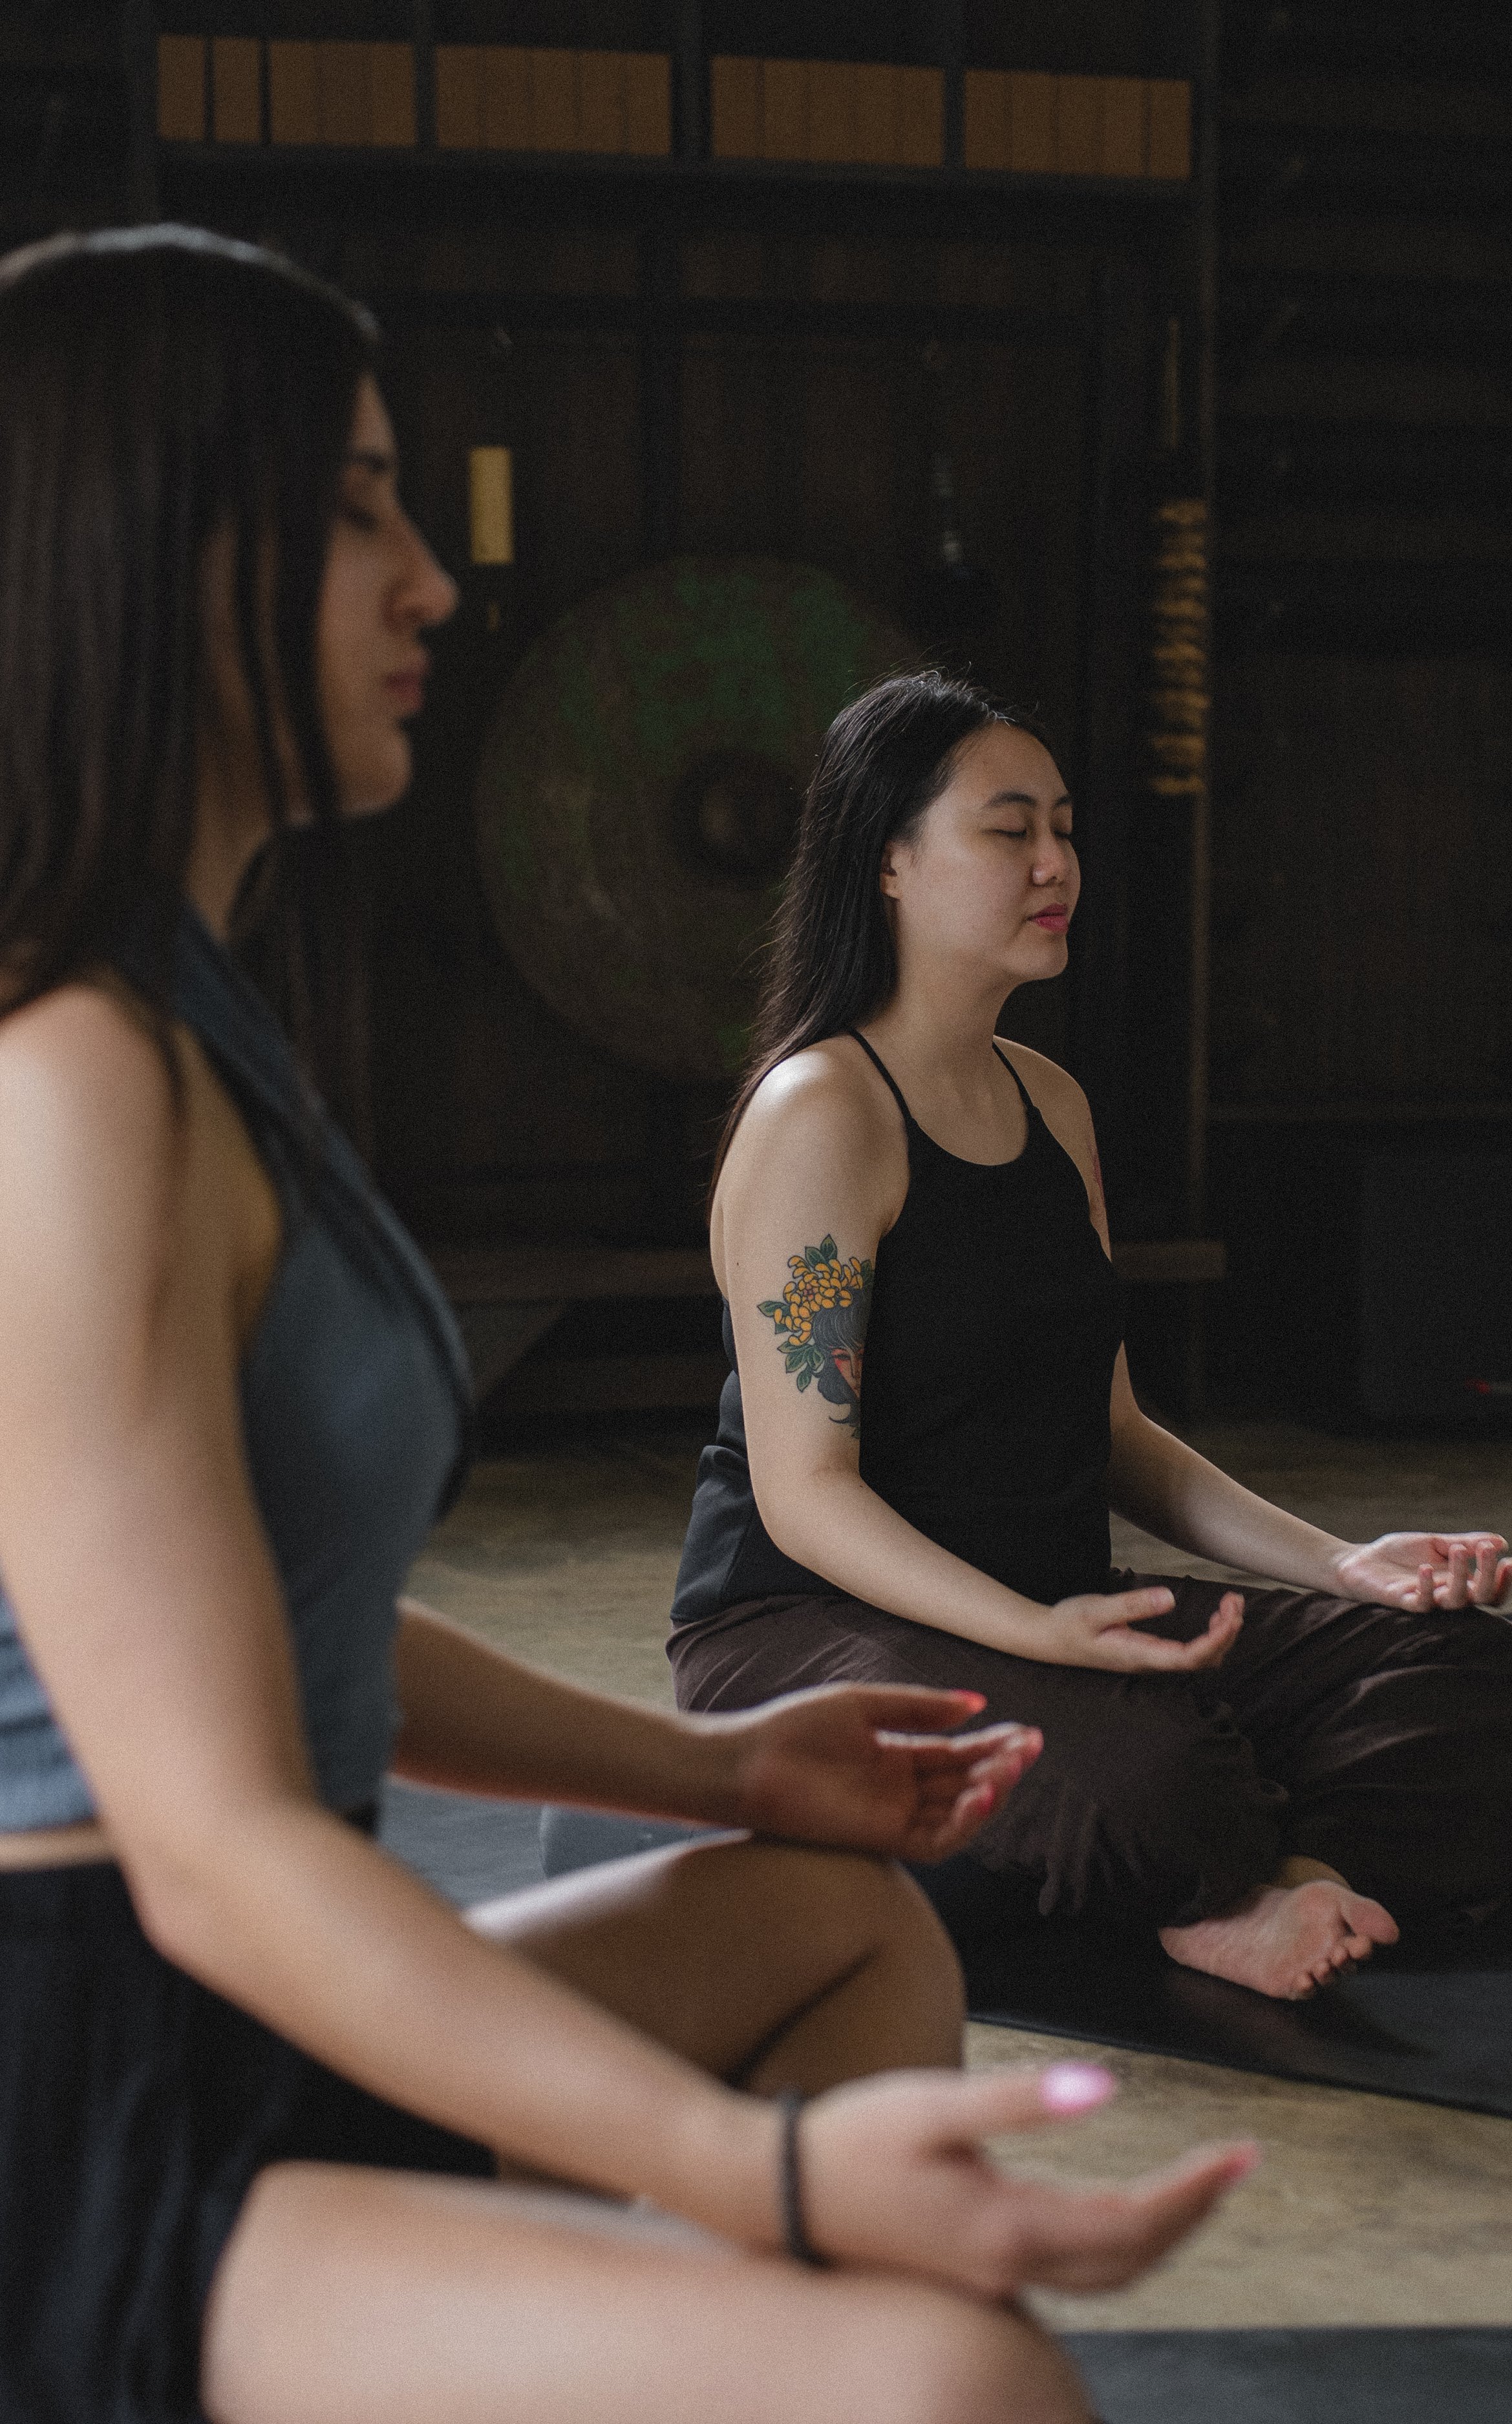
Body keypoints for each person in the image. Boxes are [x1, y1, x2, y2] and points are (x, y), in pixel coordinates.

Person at [0, 228, 1258, 2424]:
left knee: (846, 1916)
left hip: (229, 2011)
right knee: (940, 2383)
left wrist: (716, 1767)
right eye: (361, 504)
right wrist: (762, 2177)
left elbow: (265, 1630)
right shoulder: (73, 1082)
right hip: (93, 2097)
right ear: (161, 549)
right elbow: (206, 1838)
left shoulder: (200, 1027)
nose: (432, 582)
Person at [670, 670, 1512, 2003]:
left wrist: (1344, 1566)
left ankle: (1271, 1875)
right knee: (1150, 1767)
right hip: (812, 1627)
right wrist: (1039, 1638)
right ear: (888, 862)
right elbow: (802, 1500)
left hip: (1053, 1618)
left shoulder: (1050, 1103)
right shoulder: (822, 1112)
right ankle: (1217, 1884)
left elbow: (1115, 1432)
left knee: (1458, 1670)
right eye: (1007, 829)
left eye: (1061, 827)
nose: (1053, 862)